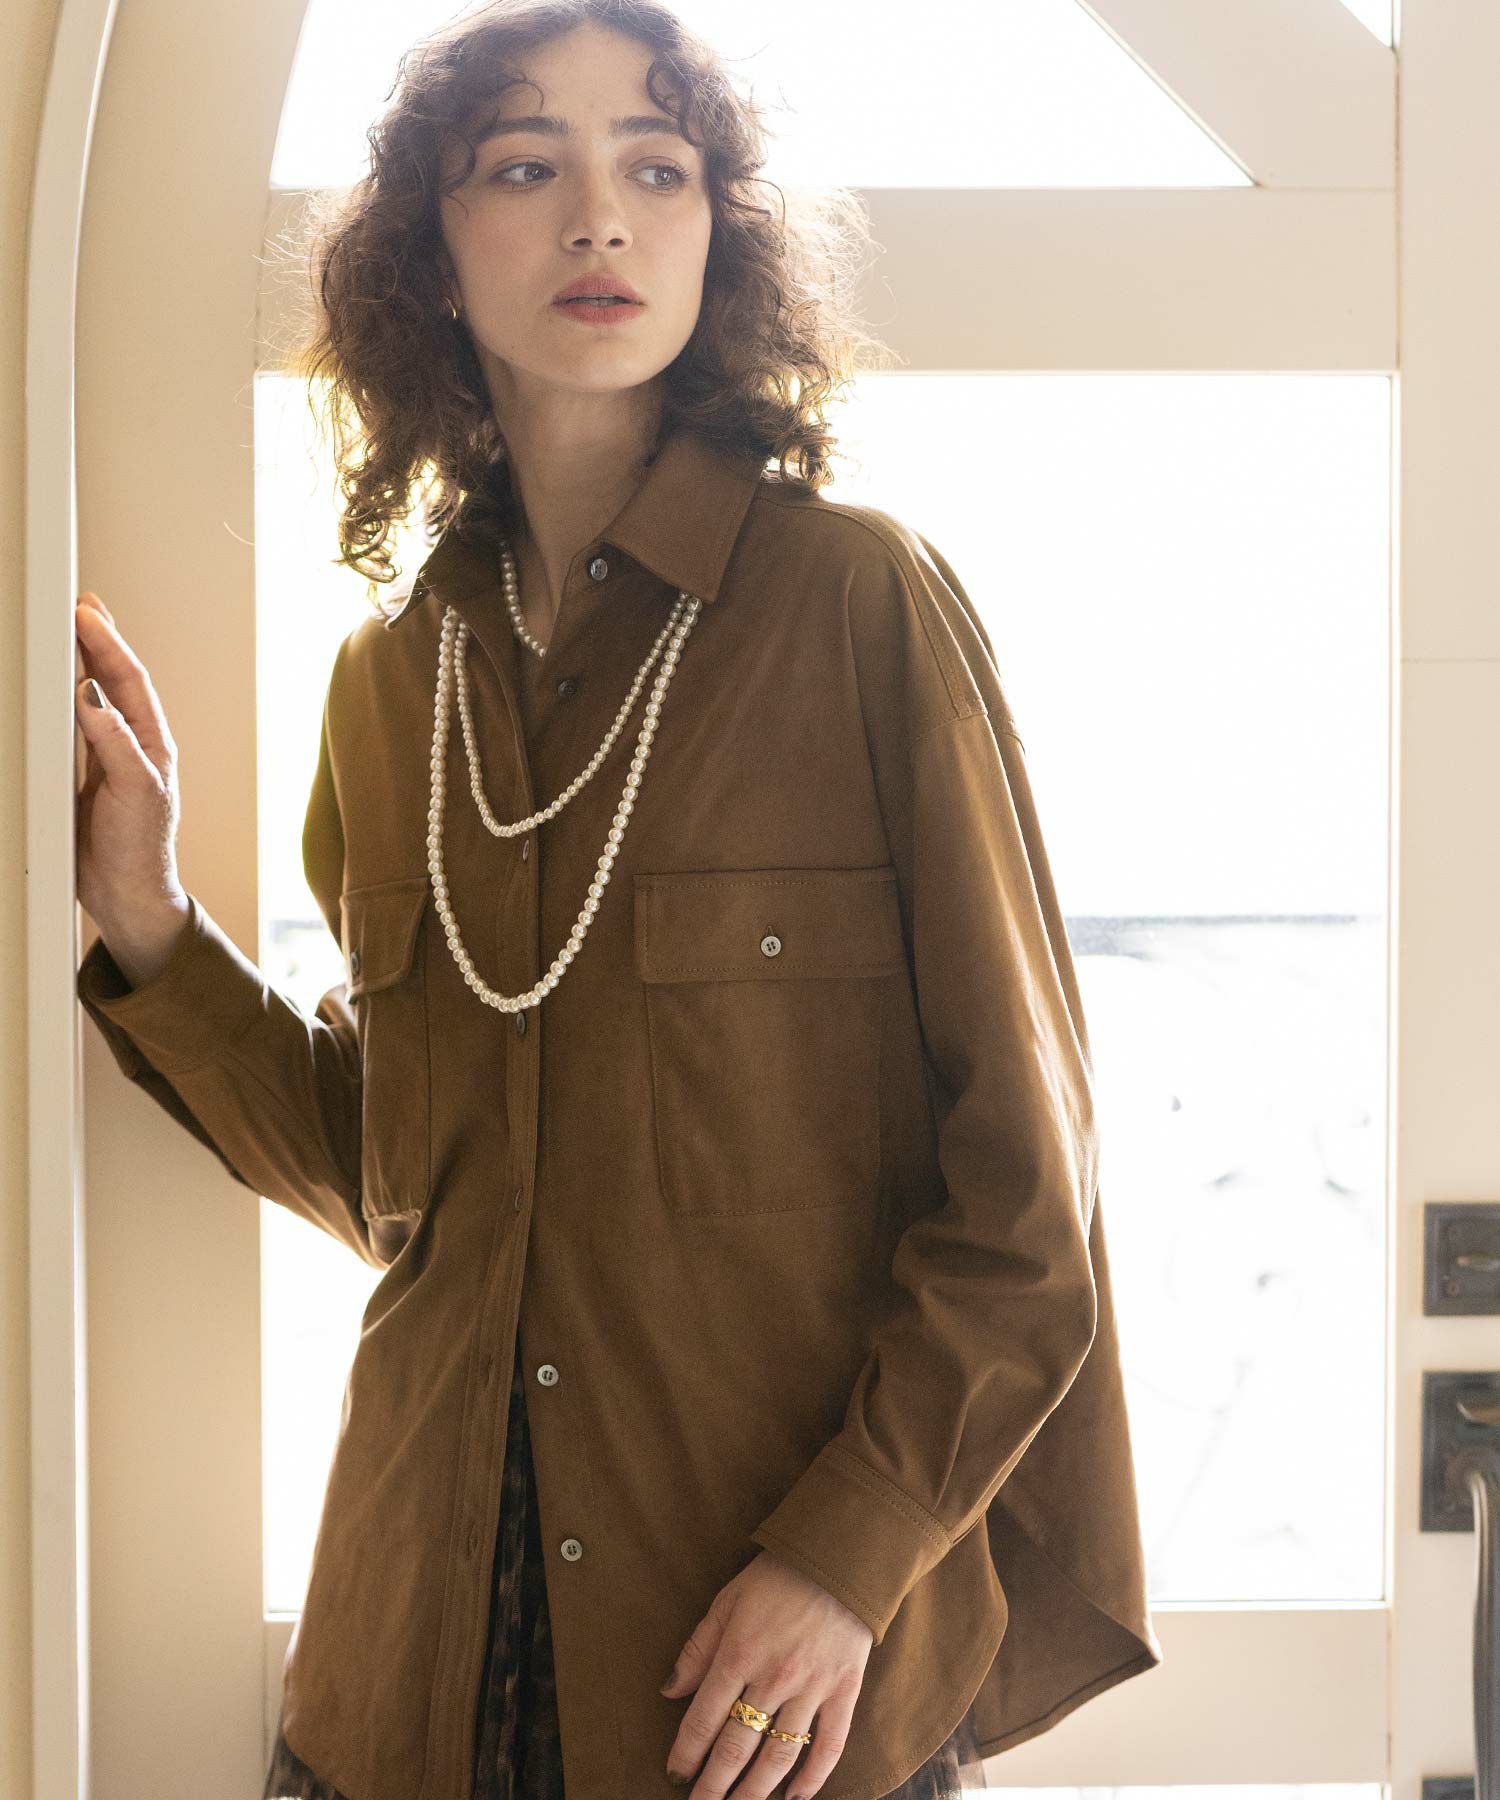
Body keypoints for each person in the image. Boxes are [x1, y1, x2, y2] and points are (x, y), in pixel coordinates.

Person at [72, 3, 1161, 1797]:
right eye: (526, 165)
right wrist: (150, 927)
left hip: (754, 1706)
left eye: (657, 167)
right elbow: (410, 1182)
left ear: (718, 233)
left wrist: (848, 1556)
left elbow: (1032, 1197)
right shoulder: (393, 682)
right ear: (431, 253)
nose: (600, 216)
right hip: (402, 1688)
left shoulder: (859, 609)